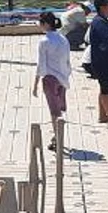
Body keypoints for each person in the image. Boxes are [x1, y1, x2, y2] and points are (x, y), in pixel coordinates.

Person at [34, 11, 71, 153]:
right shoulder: (63, 39)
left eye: (41, 22)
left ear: (46, 24)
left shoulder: (44, 41)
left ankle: (57, 139)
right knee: (59, 110)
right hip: (62, 78)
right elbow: (67, 61)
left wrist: (36, 83)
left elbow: (41, 64)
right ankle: (57, 137)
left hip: (50, 79)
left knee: (54, 112)